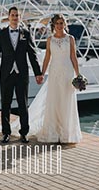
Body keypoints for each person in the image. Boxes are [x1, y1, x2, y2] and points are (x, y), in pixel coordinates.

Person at [24, 14, 83, 144]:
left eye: (61, 23)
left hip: (68, 73)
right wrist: (41, 74)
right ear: (53, 25)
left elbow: (73, 57)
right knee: (54, 101)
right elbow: (47, 58)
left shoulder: (70, 39)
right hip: (54, 73)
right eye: (57, 23)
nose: (59, 26)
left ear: (65, 24)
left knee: (66, 101)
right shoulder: (50, 40)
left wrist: (78, 75)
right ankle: (53, 133)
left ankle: (66, 134)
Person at [0, 7, 44, 144]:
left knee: (23, 104)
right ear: (8, 17)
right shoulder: (1, 34)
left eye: (17, 15)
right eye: (12, 15)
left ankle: (24, 133)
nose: (15, 17)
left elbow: (32, 55)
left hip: (22, 74)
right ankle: (6, 133)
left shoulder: (26, 34)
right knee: (5, 104)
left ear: (20, 17)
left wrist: (38, 73)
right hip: (6, 74)